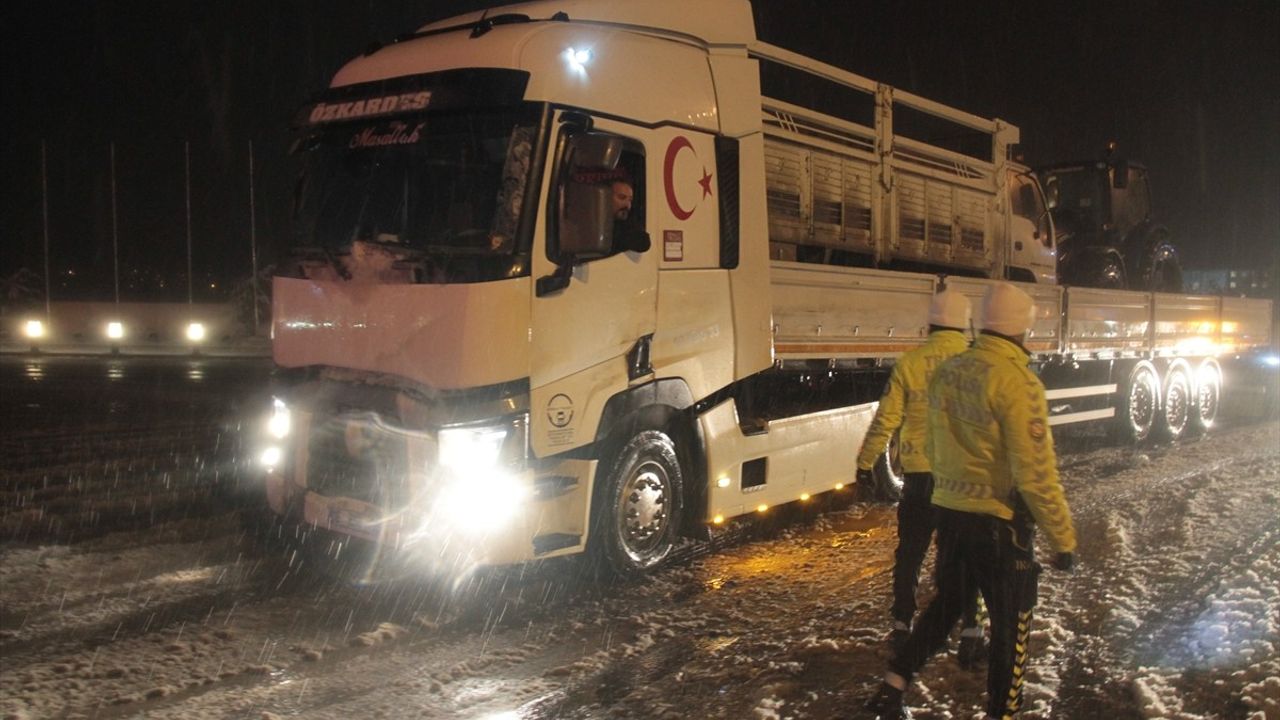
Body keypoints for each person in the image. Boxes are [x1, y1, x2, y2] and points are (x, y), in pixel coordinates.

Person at [867, 282, 1077, 720]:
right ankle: (1003, 712)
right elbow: (1035, 474)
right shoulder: (1019, 383)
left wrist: (946, 494)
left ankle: (892, 688)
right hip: (1001, 526)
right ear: (1021, 330)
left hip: (952, 515)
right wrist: (1063, 539)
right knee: (1010, 630)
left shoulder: (950, 370)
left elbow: (933, 442)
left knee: (946, 607)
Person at [855, 289, 985, 665]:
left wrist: (865, 463)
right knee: (962, 555)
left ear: (931, 323)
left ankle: (901, 624)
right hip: (961, 480)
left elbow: (887, 420)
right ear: (964, 324)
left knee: (911, 552)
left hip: (921, 478)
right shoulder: (976, 364)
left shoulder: (911, 364)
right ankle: (972, 631)